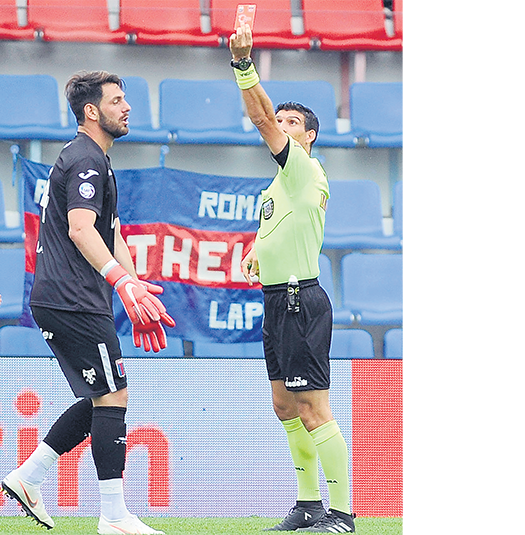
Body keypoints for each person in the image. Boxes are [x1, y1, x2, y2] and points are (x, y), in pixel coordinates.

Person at [0, 70, 175, 535]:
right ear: (92, 111)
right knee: (113, 396)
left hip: (70, 298)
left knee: (102, 395)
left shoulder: (96, 159)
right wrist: (121, 283)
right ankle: (113, 517)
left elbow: (109, 234)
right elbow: (81, 229)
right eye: (117, 100)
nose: (127, 107)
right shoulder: (85, 159)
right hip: (72, 298)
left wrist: (134, 289)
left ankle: (28, 476)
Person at [230, 25, 356, 533]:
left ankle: (342, 514)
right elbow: (283, 228)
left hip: (301, 300)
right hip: (276, 299)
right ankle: (308, 505)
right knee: (285, 406)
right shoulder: (279, 184)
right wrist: (257, 252)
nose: (280, 126)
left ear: (309, 137)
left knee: (313, 409)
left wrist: (244, 66)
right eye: (280, 119)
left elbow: (259, 118)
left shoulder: (303, 167)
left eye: (291, 123)